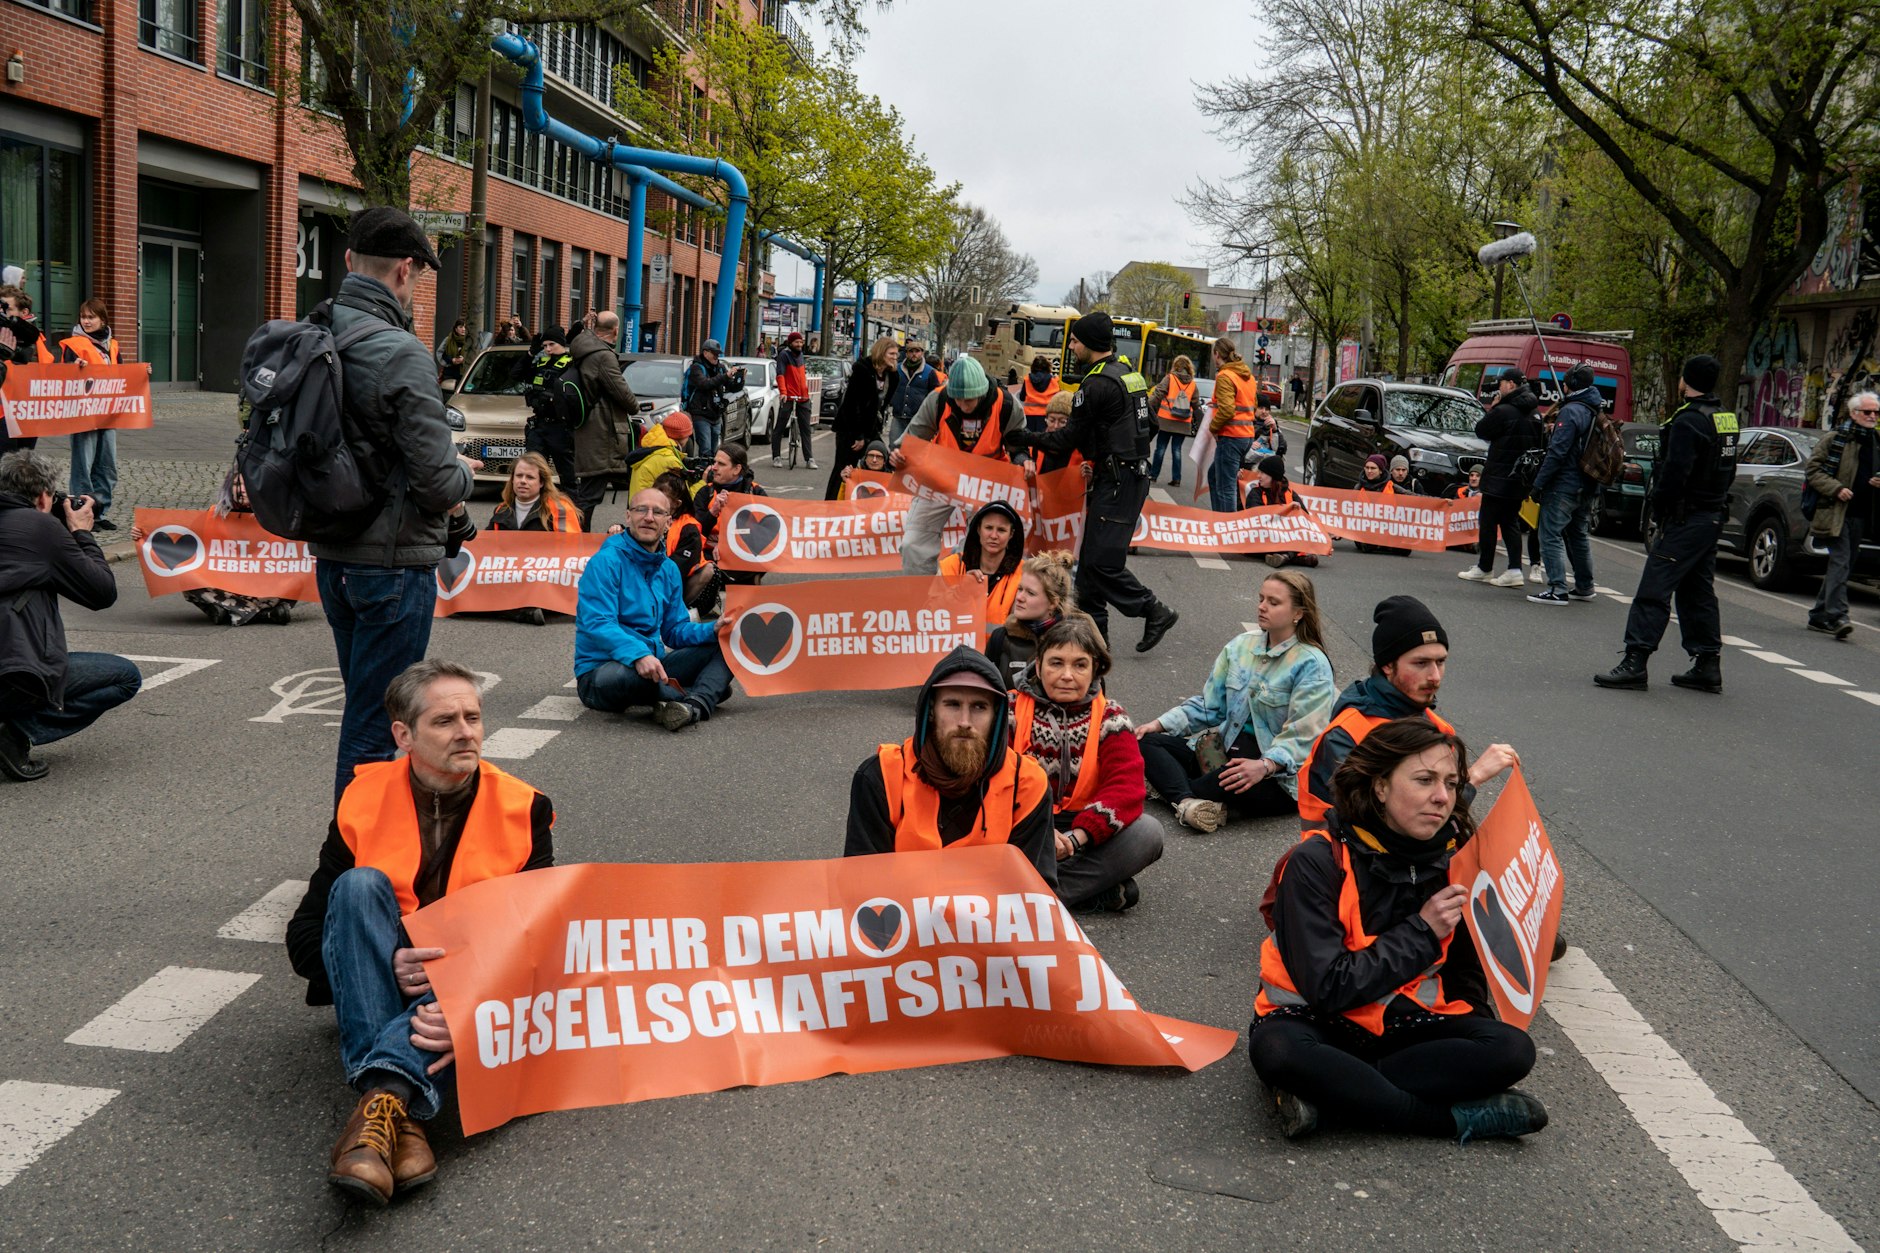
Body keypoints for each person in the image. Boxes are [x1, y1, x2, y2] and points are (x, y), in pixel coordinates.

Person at [285, 660, 555, 1204]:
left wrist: (467, 1007)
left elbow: (538, 943)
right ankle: (403, 1108)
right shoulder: (362, 799)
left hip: (467, 981)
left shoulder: (524, 808)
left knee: (493, 945)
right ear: (403, 736)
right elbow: (305, 936)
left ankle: (382, 1102)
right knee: (358, 887)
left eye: (473, 717)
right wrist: (384, 960)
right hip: (386, 978)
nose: (466, 732)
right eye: (445, 721)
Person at [1248, 717, 1547, 1143]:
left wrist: (1473, 1048)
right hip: (1317, 1021)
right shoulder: (1316, 861)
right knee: (1280, 1052)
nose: (1442, 797)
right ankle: (1445, 1121)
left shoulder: (1456, 857)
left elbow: (1465, 974)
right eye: (1424, 780)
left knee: (1512, 1049)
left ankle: (1338, 1096)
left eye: (1450, 782)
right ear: (1381, 787)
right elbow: (1327, 987)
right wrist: (1423, 931)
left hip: (1403, 1028)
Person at [311, 208, 479, 803]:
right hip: (392, 561)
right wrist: (464, 472)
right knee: (377, 729)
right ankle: (352, 867)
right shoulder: (401, 351)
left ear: (351, 261)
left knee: (365, 710)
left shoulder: (316, 330)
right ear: (406, 271)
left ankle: (356, 857)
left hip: (333, 555)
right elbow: (436, 482)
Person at [1006, 312, 1178, 652]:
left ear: (1087, 343)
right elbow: (1152, 426)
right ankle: (1095, 644)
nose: (1071, 346)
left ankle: (1153, 609)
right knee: (1087, 575)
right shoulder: (1129, 374)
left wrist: (1022, 436)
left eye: (1074, 341)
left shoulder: (1095, 383)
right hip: (1125, 476)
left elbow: (1065, 440)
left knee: (1101, 564)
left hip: (1117, 481)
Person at [1137, 571, 1335, 831]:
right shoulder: (1240, 646)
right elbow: (1211, 707)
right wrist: (1159, 724)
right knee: (1145, 743)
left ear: (1298, 613)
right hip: (1223, 752)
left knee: (1209, 782)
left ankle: (1179, 792)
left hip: (1275, 777)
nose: (1262, 607)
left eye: (1273, 602)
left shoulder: (1312, 664)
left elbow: (1304, 737)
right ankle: (1188, 803)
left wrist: (1264, 766)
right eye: (1261, 598)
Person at [843, 646, 1056, 886]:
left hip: (992, 922)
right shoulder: (880, 776)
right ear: (931, 711)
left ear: (996, 717)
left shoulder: (1027, 784)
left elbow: (1035, 894)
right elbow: (861, 887)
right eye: (952, 705)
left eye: (979, 707)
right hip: (905, 921)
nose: (964, 722)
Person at [1298, 595, 1517, 827]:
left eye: (1440, 662)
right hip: (1344, 860)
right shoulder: (1348, 734)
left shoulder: (1436, 725)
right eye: (1420, 663)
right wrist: (1472, 778)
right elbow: (1383, 829)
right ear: (1387, 665)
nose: (1434, 676)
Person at [1595, 354, 1738, 694]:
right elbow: (1728, 468)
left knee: (1654, 589)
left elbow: (1676, 473)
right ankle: (1707, 663)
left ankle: (1635, 661)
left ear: (1685, 381)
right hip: (1711, 515)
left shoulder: (1689, 421)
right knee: (1697, 591)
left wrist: (1659, 507)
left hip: (1686, 518)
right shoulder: (1726, 418)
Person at [0, 449, 141, 781]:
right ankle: (15, 732)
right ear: (44, 497)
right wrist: (81, 533)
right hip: (12, 674)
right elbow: (101, 593)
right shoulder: (40, 528)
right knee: (124, 676)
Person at [1010, 615, 1164, 912]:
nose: (1067, 675)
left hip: (1082, 833)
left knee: (1148, 833)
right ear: (1038, 665)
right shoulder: (1009, 709)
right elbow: (990, 783)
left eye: (1080, 665)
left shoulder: (1112, 717)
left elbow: (1126, 789)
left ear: (1095, 669)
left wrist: (1076, 839)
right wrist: (1039, 832)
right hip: (1022, 826)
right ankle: (1085, 894)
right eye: (1056, 663)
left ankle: (1038, 900)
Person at [574, 487, 733, 731]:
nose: (649, 517)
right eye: (641, 510)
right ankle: (701, 691)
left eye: (658, 512)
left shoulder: (668, 569)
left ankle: (693, 706)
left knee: (728, 644)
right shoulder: (605, 562)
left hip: (652, 666)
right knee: (629, 678)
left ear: (668, 522)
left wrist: (713, 629)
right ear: (628, 516)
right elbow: (598, 623)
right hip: (601, 672)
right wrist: (638, 654)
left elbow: (675, 630)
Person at [894, 355, 1031, 575]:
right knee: (913, 543)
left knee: (981, 544)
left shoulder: (1005, 404)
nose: (962, 405)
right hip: (941, 474)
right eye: (957, 399)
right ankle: (922, 600)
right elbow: (911, 440)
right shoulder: (938, 399)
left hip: (986, 479)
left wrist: (1023, 460)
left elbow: (1018, 446)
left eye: (969, 400)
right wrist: (899, 456)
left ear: (983, 392)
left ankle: (972, 597)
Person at [130, 467, 298, 626]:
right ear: (228, 488)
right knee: (184, 574)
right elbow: (186, 539)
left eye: (249, 485)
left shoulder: (275, 515)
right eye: (237, 484)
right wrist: (145, 535)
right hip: (228, 584)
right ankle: (265, 613)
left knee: (296, 575)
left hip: (263, 583)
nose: (243, 490)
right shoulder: (214, 515)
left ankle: (228, 610)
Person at [1803, 391, 1877, 639]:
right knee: (1841, 561)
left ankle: (1818, 615)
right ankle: (1837, 616)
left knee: (1844, 563)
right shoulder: (1836, 439)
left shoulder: (1876, 441)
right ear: (1854, 413)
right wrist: (1836, 488)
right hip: (1835, 511)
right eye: (1867, 412)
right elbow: (1813, 471)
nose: (1872, 416)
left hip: (1862, 514)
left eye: (1876, 412)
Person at [1460, 370, 1543, 589]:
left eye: (1502, 383)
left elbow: (1482, 430)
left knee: (1488, 521)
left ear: (1511, 384)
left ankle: (1484, 567)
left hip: (1499, 474)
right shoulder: (1535, 412)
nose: (1499, 387)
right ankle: (1514, 569)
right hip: (1521, 477)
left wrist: (1494, 407)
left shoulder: (1505, 410)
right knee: (1510, 522)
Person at [1527, 364, 1602, 605]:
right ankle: (1584, 585)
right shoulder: (1595, 409)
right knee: (1578, 535)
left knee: (1550, 534)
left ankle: (1557, 588)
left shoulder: (1571, 412)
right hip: (1588, 483)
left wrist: (1538, 484)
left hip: (1564, 483)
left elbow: (1558, 452)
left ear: (1571, 384)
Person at [569, 311, 640, 527]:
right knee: (590, 493)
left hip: (589, 428)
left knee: (589, 490)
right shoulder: (603, 356)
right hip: (602, 432)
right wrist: (634, 406)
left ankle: (577, 537)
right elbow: (622, 393)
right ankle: (576, 540)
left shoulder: (582, 347)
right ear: (616, 331)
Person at [61, 298, 122, 531]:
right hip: (83, 413)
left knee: (107, 466)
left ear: (102, 320)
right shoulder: (73, 345)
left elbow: (122, 375)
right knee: (83, 466)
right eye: (83, 317)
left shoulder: (112, 345)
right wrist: (73, 367)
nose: (86, 321)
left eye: (91, 317)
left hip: (107, 413)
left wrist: (142, 373)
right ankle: (81, 514)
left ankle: (100, 512)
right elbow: (62, 375)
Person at [984, 550, 1076, 688]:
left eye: (1030, 593)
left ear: (1053, 603)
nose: (1019, 597)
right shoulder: (1000, 638)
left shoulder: (1076, 641)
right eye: (1020, 589)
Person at [824, 338, 901, 499]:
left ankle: (870, 500)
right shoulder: (862, 369)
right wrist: (859, 436)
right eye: (892, 353)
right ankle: (832, 503)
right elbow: (853, 404)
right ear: (882, 353)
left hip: (871, 426)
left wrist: (893, 374)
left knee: (879, 458)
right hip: (850, 427)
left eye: (896, 354)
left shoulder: (891, 376)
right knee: (845, 466)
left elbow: (883, 405)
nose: (895, 357)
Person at [938, 501, 1025, 634]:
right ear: (978, 529)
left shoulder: (1024, 573)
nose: (994, 536)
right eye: (988, 528)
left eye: (1001, 530)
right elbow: (929, 615)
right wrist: (960, 592)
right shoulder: (951, 565)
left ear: (1011, 534)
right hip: (955, 650)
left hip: (999, 653)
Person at [521, 326, 580, 492]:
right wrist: (531, 354)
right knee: (533, 472)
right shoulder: (540, 362)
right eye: (544, 345)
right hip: (539, 426)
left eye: (551, 344)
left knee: (568, 478)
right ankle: (536, 511)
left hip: (560, 428)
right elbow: (515, 374)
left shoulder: (571, 364)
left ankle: (572, 514)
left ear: (562, 343)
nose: (547, 349)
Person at [1207, 338, 1262, 513]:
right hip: (1246, 435)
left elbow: (1228, 410)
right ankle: (1220, 521)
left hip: (1231, 436)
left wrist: (1213, 427)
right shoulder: (1247, 376)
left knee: (1226, 488)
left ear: (1217, 355)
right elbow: (1250, 405)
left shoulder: (1225, 376)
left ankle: (1226, 530)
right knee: (1214, 477)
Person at [653, 469, 718, 611]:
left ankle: (676, 610)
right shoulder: (646, 516)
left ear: (676, 504)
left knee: (709, 570)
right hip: (645, 577)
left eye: (662, 499)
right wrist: (616, 528)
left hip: (673, 580)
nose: (655, 503)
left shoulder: (688, 527)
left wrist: (654, 572)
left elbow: (681, 565)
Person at [1245, 454, 1318, 569]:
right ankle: (1290, 556)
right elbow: (1255, 517)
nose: (1258, 476)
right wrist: (1285, 509)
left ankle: (1284, 556)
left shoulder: (1289, 493)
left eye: (1262, 473)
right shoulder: (1255, 493)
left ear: (1272, 476)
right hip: (1265, 536)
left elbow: (1305, 518)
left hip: (1286, 537)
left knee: (1305, 538)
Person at [0, 285, 46, 454]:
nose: (2, 313)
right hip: (3, 414)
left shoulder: (37, 339)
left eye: (8, 308)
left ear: (24, 312)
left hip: (28, 414)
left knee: (22, 468)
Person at [683, 339, 745, 462]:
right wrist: (725, 376)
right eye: (714, 353)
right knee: (705, 450)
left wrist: (740, 379)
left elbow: (732, 388)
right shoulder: (696, 368)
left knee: (715, 451)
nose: (717, 356)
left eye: (718, 354)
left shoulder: (720, 368)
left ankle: (713, 474)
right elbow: (705, 384)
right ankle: (704, 475)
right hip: (700, 414)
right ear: (705, 353)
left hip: (716, 414)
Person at [1147, 354, 1198, 487]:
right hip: (1183, 422)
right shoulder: (1192, 384)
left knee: (1160, 448)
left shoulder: (1170, 378)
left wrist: (1146, 406)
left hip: (1166, 420)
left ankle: (1153, 475)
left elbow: (1158, 394)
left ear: (1175, 366)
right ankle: (1176, 479)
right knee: (1177, 450)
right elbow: (1196, 404)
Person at [772, 330, 817, 469]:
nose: (799, 344)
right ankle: (777, 457)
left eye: (801, 342)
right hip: (788, 396)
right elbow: (780, 375)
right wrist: (783, 393)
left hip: (803, 396)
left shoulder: (801, 355)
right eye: (797, 342)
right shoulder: (784, 355)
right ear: (790, 343)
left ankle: (809, 459)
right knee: (780, 427)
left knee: (806, 429)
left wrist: (806, 393)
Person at [888, 342, 942, 446]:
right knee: (894, 446)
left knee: (914, 449)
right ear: (906, 353)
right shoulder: (897, 369)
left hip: (918, 419)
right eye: (911, 351)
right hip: (898, 417)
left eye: (917, 351)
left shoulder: (930, 372)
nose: (914, 354)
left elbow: (935, 396)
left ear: (922, 353)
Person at [629, 413, 691, 502]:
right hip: (651, 511)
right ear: (683, 436)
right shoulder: (669, 460)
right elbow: (684, 497)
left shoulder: (651, 449)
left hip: (638, 508)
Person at [1019, 354, 1061, 435]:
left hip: (1029, 415)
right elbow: (1057, 399)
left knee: (1030, 438)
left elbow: (1022, 397)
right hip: (1045, 415)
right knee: (1043, 438)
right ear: (1047, 366)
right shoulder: (1054, 381)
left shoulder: (1027, 380)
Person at [435, 318, 468, 386]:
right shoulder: (448, 339)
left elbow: (473, 355)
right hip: (449, 373)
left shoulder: (469, 341)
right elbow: (441, 353)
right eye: (461, 327)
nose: (463, 329)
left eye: (465, 327)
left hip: (464, 374)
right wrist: (452, 360)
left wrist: (463, 360)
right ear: (456, 329)